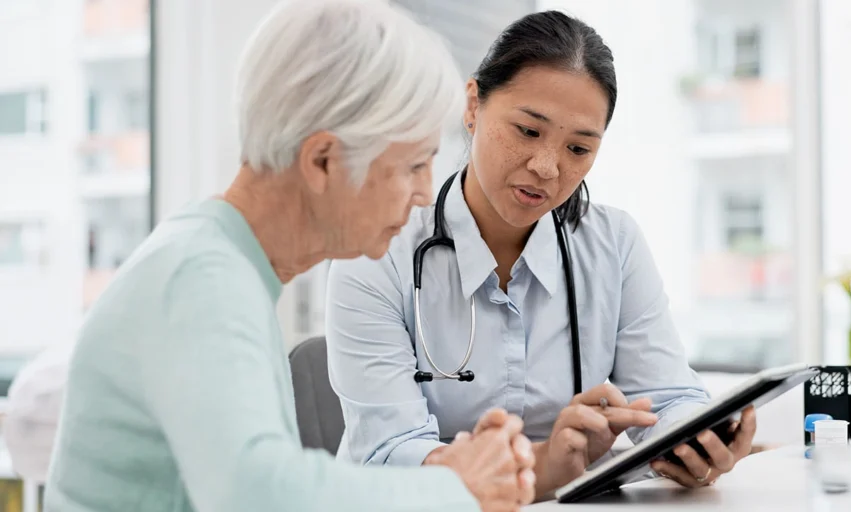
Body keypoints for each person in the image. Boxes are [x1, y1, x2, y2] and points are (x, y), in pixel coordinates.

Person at [41, 1, 536, 511]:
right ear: (323, 161)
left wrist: (446, 473)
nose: (423, 193)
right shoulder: (201, 279)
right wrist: (454, 490)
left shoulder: (218, 264)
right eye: (412, 165)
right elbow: (259, 492)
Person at [325, 9, 758, 501]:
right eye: (528, 131)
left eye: (578, 149)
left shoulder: (613, 244)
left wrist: (695, 439)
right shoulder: (379, 251)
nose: (547, 168)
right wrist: (547, 464)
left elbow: (669, 397)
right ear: (473, 106)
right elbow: (390, 454)